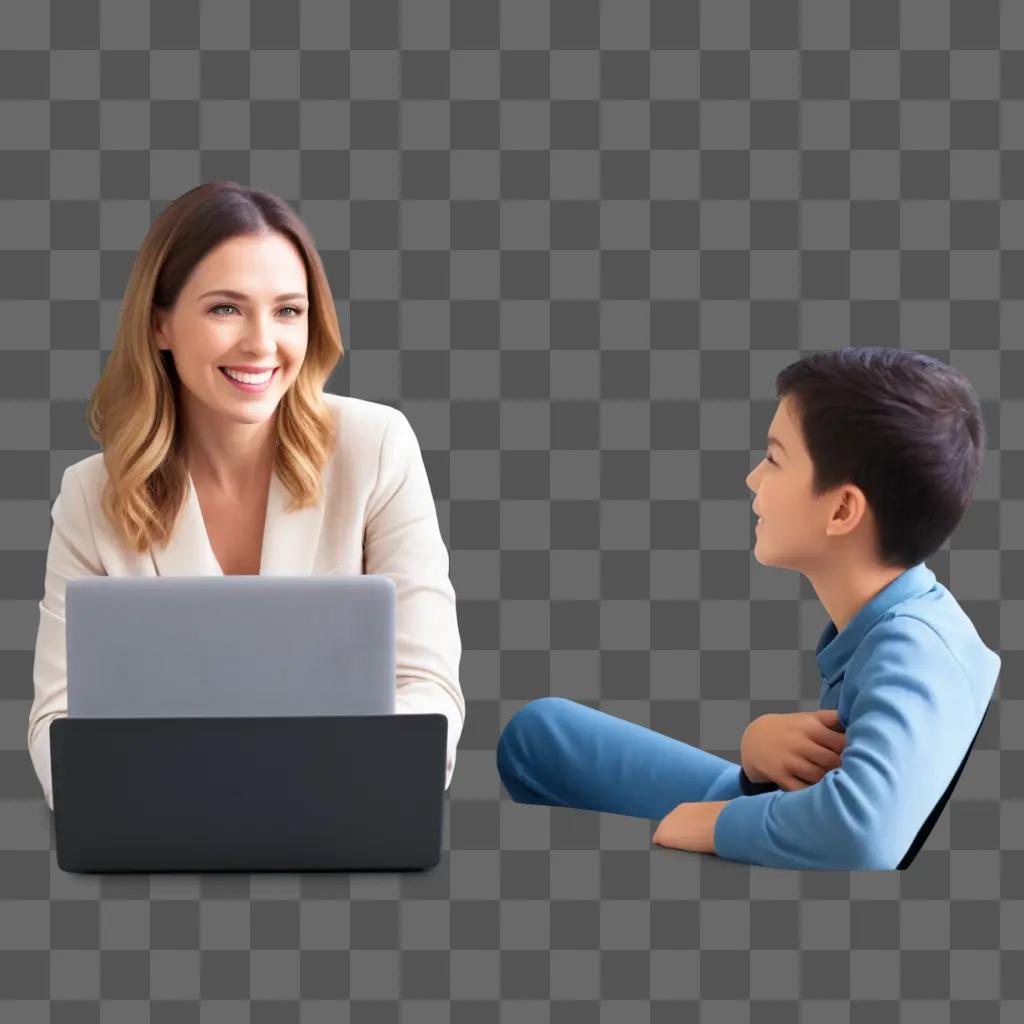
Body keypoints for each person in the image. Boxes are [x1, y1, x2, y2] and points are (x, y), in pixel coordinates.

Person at [28, 181, 464, 810]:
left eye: (288, 310)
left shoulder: (377, 448)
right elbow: (59, 722)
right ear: (160, 325)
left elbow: (426, 687)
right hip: (161, 827)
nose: (262, 343)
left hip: (341, 817)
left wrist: (321, 784)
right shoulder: (90, 495)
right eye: (225, 308)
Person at [496, 347, 1002, 870]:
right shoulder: (902, 621)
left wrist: (716, 824)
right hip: (785, 807)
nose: (754, 478)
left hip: (799, 841)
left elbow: (863, 834)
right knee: (537, 734)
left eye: (775, 459)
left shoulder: (916, 648)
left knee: (539, 744)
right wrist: (756, 760)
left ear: (842, 509)